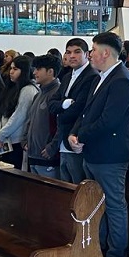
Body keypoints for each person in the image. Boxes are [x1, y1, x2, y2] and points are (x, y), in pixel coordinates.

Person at [69, 32, 129, 257]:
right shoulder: (103, 77)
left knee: (115, 205)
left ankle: (116, 255)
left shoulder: (121, 80)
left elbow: (109, 120)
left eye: (93, 49)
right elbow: (87, 112)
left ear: (105, 53)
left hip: (110, 154)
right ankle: (98, 250)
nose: (90, 54)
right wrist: (75, 134)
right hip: (95, 152)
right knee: (98, 206)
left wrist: (82, 137)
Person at [49, 38, 98, 183]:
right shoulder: (66, 76)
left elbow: (79, 109)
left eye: (77, 52)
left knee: (78, 187)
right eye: (68, 52)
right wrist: (64, 104)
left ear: (87, 54)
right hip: (63, 139)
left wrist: (60, 113)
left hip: (76, 139)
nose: (72, 56)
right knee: (65, 187)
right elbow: (51, 104)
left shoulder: (92, 76)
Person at [0, 55, 37, 167]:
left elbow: (19, 116)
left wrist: (1, 135)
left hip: (16, 140)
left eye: (15, 69)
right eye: (11, 68)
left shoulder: (28, 89)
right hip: (4, 139)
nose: (11, 72)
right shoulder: (11, 87)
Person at [24, 54, 62, 176]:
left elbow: (61, 124)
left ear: (50, 71)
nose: (34, 72)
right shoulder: (39, 93)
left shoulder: (57, 93)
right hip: (34, 154)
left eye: (38, 69)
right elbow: (30, 120)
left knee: (49, 194)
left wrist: (52, 147)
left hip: (48, 157)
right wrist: (25, 140)